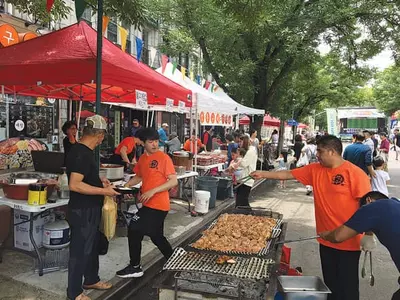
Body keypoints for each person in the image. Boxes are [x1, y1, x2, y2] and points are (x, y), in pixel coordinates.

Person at [251, 135, 371, 300]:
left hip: (348, 241)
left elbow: (369, 207)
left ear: (332, 151)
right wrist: (262, 173)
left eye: (320, 151)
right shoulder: (315, 170)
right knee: (331, 284)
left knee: (348, 287)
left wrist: (369, 234)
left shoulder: (355, 174)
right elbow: (287, 174)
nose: (317, 155)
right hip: (325, 238)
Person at [66, 115, 119, 300]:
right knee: (79, 251)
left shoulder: (85, 151)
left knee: (92, 246)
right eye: (102, 136)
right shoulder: (81, 153)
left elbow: (85, 179)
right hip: (82, 210)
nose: (102, 139)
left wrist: (100, 182)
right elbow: (75, 184)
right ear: (99, 135)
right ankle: (74, 293)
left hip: (90, 209)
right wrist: (104, 192)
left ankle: (91, 279)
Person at [116, 128, 178, 278]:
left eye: (156, 141)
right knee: (156, 236)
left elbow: (173, 181)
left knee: (134, 227)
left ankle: (135, 266)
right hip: (148, 204)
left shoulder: (163, 158)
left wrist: (152, 191)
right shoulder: (143, 159)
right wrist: (126, 186)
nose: (155, 145)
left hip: (159, 205)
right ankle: (174, 260)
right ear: (143, 143)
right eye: (151, 142)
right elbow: (139, 176)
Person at [319, 191, 400, 300]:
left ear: (368, 200)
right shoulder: (395, 204)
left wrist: (326, 235)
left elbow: (338, 236)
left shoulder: (371, 208)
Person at [235, 135, 258, 207]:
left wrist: (238, 160)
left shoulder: (251, 151)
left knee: (242, 200)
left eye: (240, 141)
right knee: (239, 200)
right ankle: (240, 215)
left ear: (244, 142)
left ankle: (249, 215)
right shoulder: (249, 150)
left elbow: (244, 163)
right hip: (243, 178)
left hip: (247, 179)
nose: (239, 144)